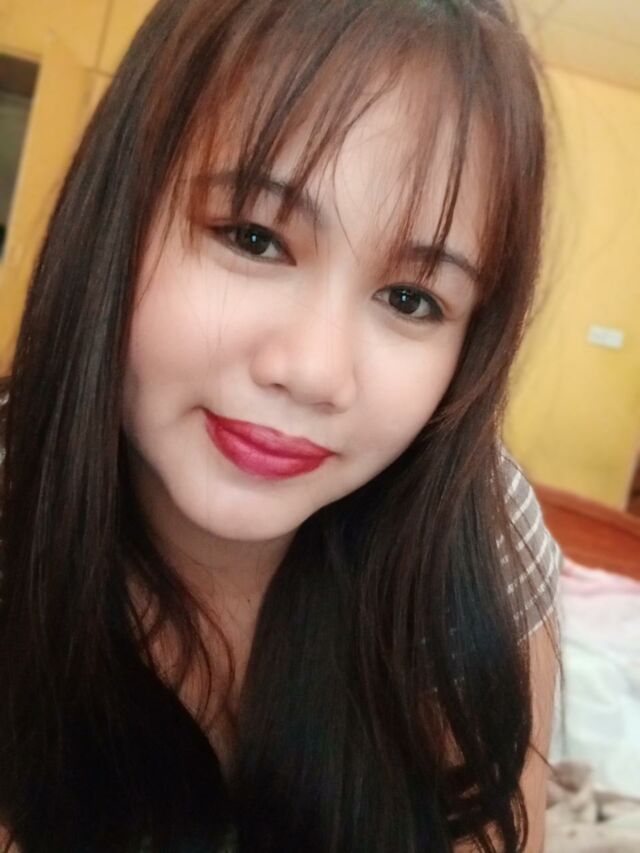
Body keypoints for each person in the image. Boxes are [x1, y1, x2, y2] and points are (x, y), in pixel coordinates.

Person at [0, 0, 563, 850]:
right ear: (120, 208)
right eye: (254, 237)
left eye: (410, 298)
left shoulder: (481, 535)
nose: (315, 372)